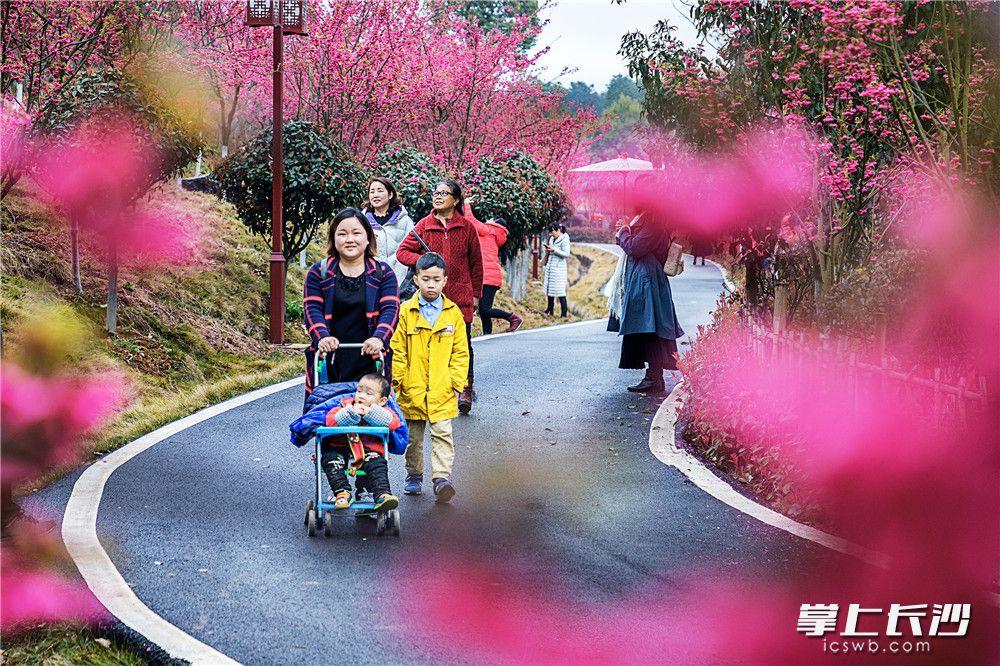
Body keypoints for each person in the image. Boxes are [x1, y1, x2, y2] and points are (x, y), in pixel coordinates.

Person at [304, 208, 400, 502]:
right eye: (342, 233)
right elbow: (312, 308)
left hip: (370, 361)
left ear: (367, 237)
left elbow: (390, 309)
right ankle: (338, 484)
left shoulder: (383, 273)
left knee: (372, 421)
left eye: (356, 232)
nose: (350, 239)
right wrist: (323, 336)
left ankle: (370, 482)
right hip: (330, 362)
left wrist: (378, 338)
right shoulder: (319, 272)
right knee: (333, 422)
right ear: (333, 238)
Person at [396, 179, 482, 414]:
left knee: (463, 342)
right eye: (436, 192)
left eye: (444, 193)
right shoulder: (424, 225)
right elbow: (403, 252)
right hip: (430, 296)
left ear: (455, 200)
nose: (438, 196)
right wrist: (423, 263)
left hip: (460, 293)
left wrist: (476, 294)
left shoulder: (466, 227)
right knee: (429, 341)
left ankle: (465, 387)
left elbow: (476, 263)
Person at [390, 252, 469, 503]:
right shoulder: (406, 311)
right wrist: (397, 381)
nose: (431, 285)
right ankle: (414, 475)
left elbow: (460, 352)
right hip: (412, 388)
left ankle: (442, 479)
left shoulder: (452, 313)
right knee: (413, 438)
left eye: (436, 279)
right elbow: (398, 349)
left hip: (442, 389)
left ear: (445, 280)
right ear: (416, 280)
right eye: (426, 279)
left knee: (443, 434)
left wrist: (456, 383)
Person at [609, 204, 685, 394]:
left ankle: (654, 378)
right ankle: (653, 376)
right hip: (643, 276)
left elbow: (635, 248)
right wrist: (626, 228)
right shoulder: (645, 218)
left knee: (650, 326)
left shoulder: (654, 221)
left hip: (647, 279)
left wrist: (624, 232)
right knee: (648, 325)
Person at [322, 373, 402, 511]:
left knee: (377, 463)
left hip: (369, 450)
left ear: (382, 400)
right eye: (359, 391)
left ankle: (381, 494)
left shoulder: (384, 411)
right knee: (331, 460)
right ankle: (342, 491)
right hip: (341, 447)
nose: (361, 395)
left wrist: (370, 413)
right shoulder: (345, 406)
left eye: (368, 393)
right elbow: (330, 421)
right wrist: (351, 414)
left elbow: (393, 423)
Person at [462, 198, 522, 334]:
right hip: (489, 276)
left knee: (484, 309)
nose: (487, 220)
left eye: (489, 218)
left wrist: (466, 204)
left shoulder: (489, 230)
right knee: (484, 310)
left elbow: (472, 221)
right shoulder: (494, 234)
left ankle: (513, 318)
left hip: (487, 276)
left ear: (494, 223)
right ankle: (487, 334)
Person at [362, 177, 415, 284]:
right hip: (367, 278)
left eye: (380, 191)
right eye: (372, 192)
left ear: (390, 195)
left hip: (398, 279)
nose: (375, 195)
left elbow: (410, 249)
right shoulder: (361, 220)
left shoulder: (404, 221)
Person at [543, 223, 571, 317]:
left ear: (558, 230)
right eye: (550, 232)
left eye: (553, 232)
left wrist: (554, 250)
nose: (551, 234)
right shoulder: (551, 239)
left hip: (559, 268)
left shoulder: (565, 239)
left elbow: (567, 254)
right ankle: (550, 309)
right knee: (549, 290)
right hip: (551, 266)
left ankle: (564, 314)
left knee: (560, 291)